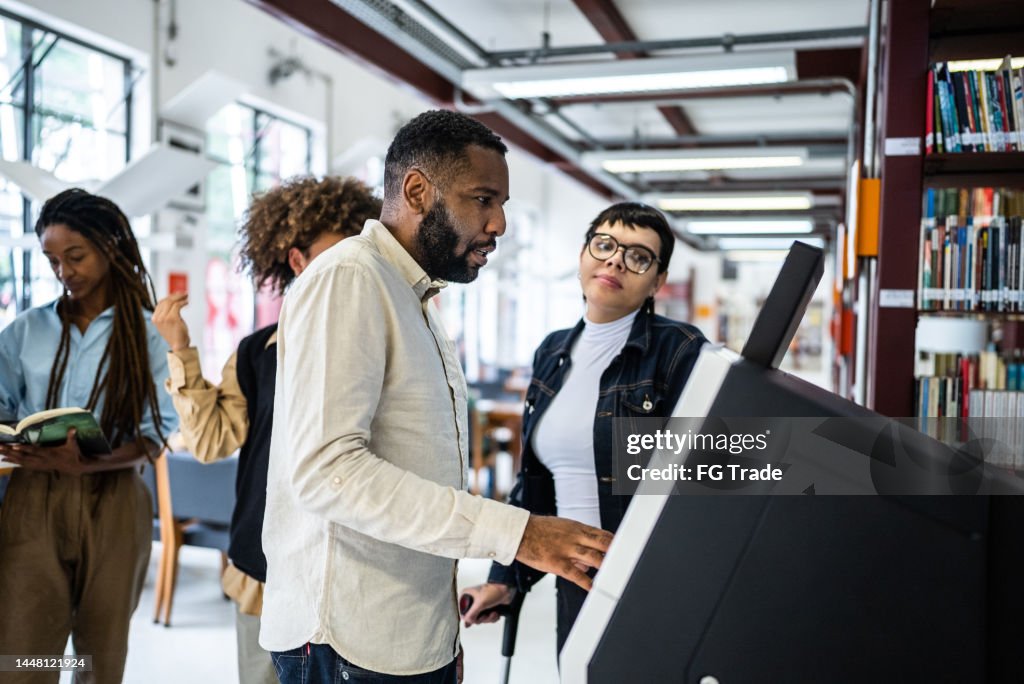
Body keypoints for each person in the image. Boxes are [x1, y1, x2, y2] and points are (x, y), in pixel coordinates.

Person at [260, 109, 613, 684]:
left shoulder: (413, 296)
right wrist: (519, 534)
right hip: (349, 641)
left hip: (408, 632)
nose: (499, 223)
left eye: (502, 204)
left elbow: (415, 467)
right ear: (417, 191)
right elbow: (328, 472)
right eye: (483, 200)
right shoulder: (350, 278)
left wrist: (450, 617)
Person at [151, 176, 381, 684]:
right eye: (337, 254)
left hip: (352, 570)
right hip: (264, 566)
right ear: (297, 260)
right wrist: (181, 350)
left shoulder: (379, 342)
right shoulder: (258, 353)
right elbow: (211, 442)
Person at [460, 202, 708, 655]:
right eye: (604, 245)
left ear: (657, 281)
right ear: (583, 255)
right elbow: (535, 485)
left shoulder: (680, 350)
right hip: (576, 580)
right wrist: (504, 580)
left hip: (652, 580)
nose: (615, 261)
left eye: (638, 256)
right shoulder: (551, 353)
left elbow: (706, 474)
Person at [0, 188, 178, 684]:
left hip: (115, 501)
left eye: (75, 256)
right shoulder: (26, 331)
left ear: (109, 247)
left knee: (99, 657)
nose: (64, 271)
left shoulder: (149, 335)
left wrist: (90, 462)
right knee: (22, 653)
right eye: (53, 260)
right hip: (32, 500)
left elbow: (156, 432)